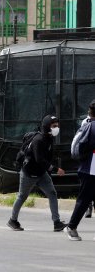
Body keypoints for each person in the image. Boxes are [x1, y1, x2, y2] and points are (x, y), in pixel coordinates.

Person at [7, 115, 67, 232]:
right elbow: (39, 159)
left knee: (52, 193)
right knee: (22, 196)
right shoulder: (38, 140)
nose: (57, 128)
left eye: (57, 126)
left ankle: (57, 222)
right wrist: (55, 169)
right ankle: (12, 220)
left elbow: (47, 158)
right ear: (47, 127)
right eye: (54, 126)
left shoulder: (49, 138)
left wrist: (48, 171)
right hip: (29, 173)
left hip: (41, 172)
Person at [65, 100, 95, 241]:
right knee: (83, 200)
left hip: (87, 167)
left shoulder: (87, 124)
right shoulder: (92, 126)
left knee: (85, 199)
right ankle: (71, 227)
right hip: (90, 169)